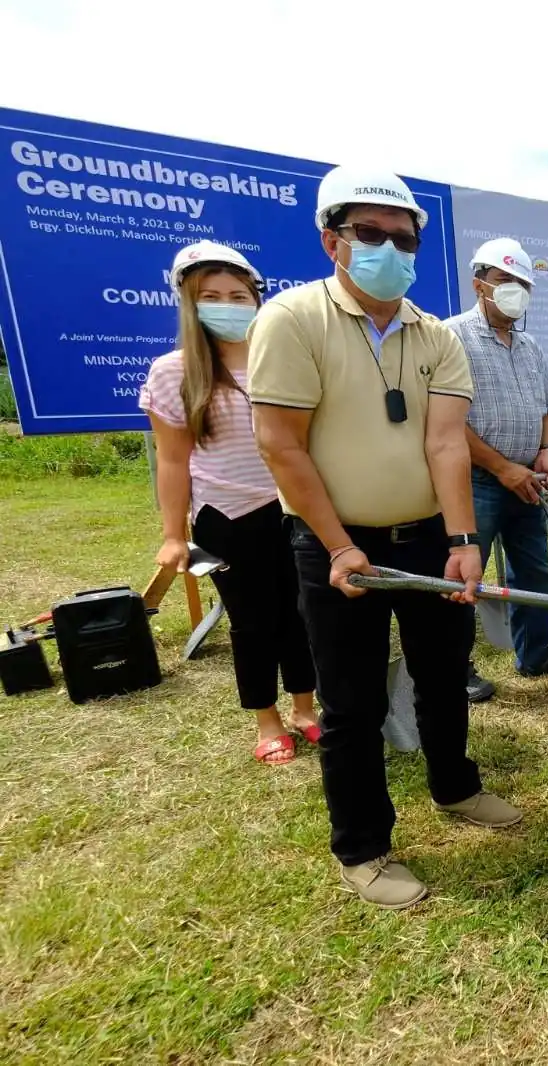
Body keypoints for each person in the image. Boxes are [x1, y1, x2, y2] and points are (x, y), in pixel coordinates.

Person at [249, 165, 521, 911]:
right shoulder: (292, 320)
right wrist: (338, 544)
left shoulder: (434, 336)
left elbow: (444, 445)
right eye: (371, 235)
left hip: (429, 536)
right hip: (337, 545)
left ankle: (456, 787)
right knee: (353, 701)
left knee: (443, 675)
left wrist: (463, 537)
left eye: (403, 239)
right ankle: (363, 847)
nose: (390, 250)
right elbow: (283, 446)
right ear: (333, 240)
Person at [139, 241, 318, 766]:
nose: (227, 304)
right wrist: (175, 534)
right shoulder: (173, 373)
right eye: (211, 296)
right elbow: (172, 461)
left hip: (293, 508)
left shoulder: (288, 361)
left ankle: (306, 709)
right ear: (189, 304)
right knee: (252, 620)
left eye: (238, 295)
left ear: (257, 299)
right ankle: (267, 719)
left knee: (302, 615)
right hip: (225, 519)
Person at [445, 237, 548, 688]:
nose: (514, 290)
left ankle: (535, 654)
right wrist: (502, 468)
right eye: (505, 280)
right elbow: (447, 423)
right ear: (479, 283)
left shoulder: (530, 347)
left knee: (534, 572)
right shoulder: (452, 337)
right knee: (464, 575)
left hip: (529, 480)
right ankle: (455, 668)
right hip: (476, 480)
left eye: (523, 283)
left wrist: (546, 449)